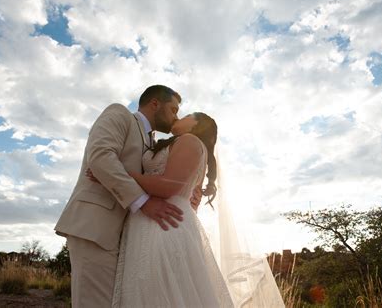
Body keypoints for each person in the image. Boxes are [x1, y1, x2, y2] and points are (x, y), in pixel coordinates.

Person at [108, 112, 284, 307]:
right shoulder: (183, 145)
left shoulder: (190, 141)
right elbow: (188, 197)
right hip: (157, 220)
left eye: (188, 115)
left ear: (197, 125)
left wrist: (120, 173)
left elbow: (167, 186)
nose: (179, 116)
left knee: (157, 292)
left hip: (163, 223)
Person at [54, 85, 202, 307]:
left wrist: (188, 191)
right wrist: (143, 202)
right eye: (173, 109)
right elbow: (101, 157)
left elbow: (161, 178)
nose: (176, 117)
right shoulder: (119, 114)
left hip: (128, 239)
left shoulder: (154, 143)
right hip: (95, 226)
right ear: (155, 104)